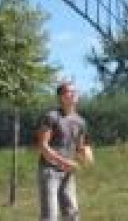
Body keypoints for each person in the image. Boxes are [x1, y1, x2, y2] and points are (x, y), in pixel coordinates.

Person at [36, 82, 92, 221]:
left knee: (72, 213)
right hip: (49, 171)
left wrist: (86, 153)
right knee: (50, 216)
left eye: (75, 92)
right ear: (61, 97)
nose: (74, 94)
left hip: (68, 173)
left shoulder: (80, 121)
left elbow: (80, 147)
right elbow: (42, 146)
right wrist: (64, 161)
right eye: (69, 92)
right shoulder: (51, 117)